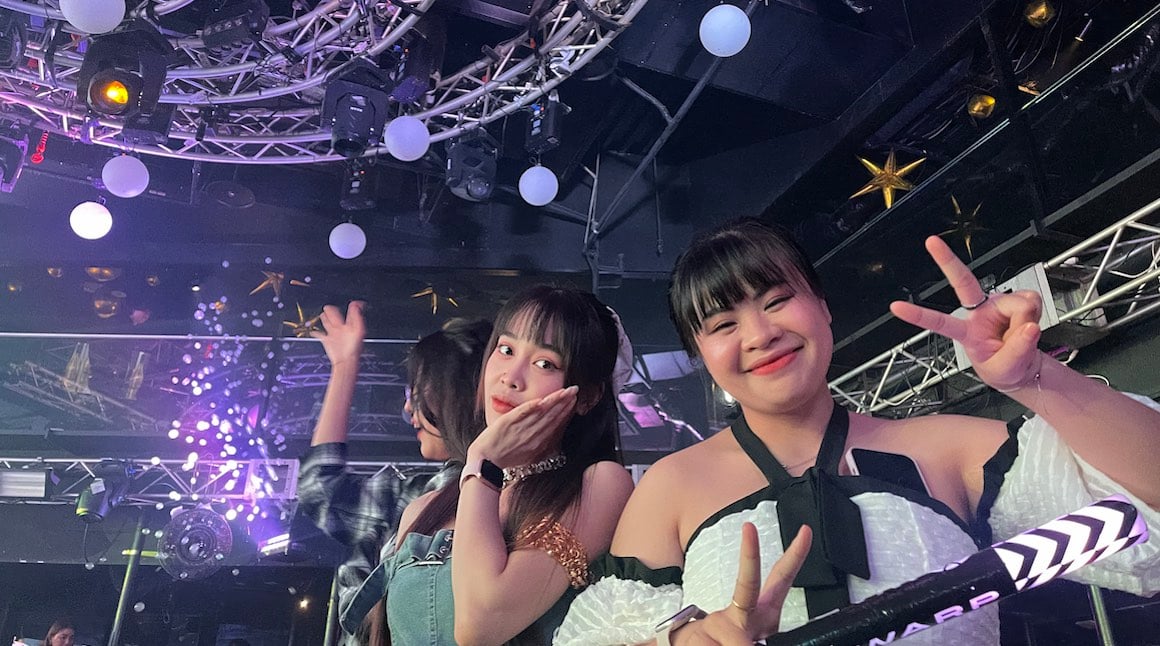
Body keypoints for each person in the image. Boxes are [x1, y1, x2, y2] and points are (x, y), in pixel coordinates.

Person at [555, 219, 1160, 645]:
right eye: (722, 322)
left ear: (823, 306)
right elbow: (598, 634)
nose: (759, 333)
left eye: (777, 299)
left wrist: (1037, 379)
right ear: (702, 356)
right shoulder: (670, 486)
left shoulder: (946, 446)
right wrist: (684, 639)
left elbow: (1147, 508)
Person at [365, 285, 635, 645]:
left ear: (585, 396)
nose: (511, 376)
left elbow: (480, 624)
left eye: (545, 363)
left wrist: (483, 465)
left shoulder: (599, 484)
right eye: (506, 349)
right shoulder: (423, 509)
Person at [297, 302, 492, 646]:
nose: (407, 409)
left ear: (458, 395)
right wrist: (343, 365)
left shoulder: (518, 498)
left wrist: (345, 367)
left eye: (417, 394)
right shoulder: (411, 496)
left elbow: (319, 489)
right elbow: (320, 488)